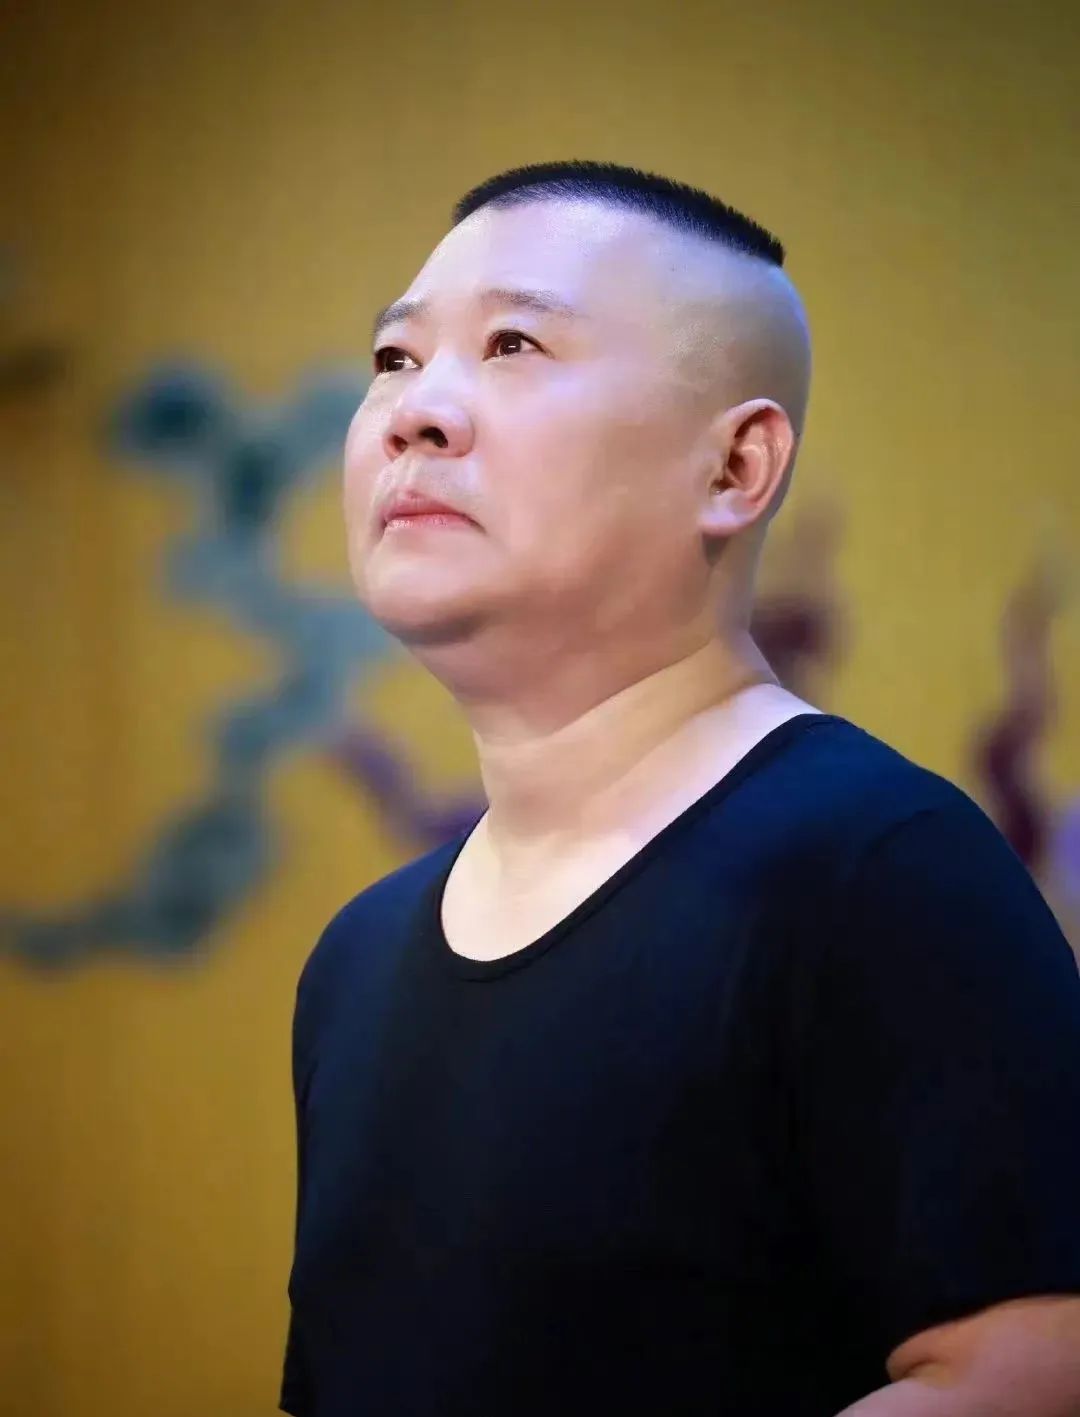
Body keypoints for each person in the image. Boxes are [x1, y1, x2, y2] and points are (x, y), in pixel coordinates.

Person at [280, 160, 1080, 1417]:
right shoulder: (357, 957)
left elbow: (1036, 1366)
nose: (415, 412)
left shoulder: (878, 868)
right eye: (394, 358)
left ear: (735, 467)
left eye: (513, 344)